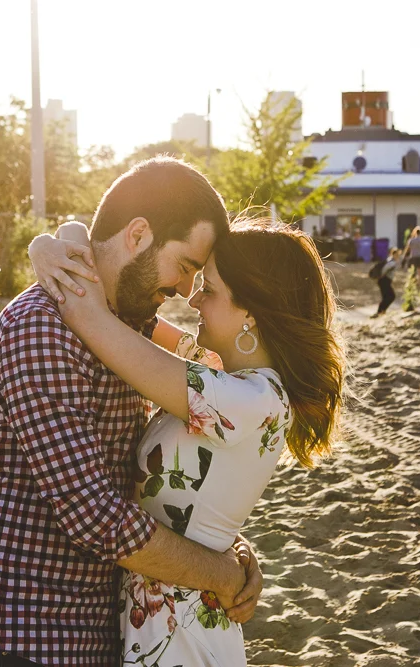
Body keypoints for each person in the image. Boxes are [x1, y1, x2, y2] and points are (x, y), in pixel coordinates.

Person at [0, 158, 263, 667]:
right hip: (14, 635)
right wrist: (220, 574)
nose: (183, 290)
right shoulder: (40, 329)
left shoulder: (126, 327)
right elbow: (95, 516)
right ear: (137, 234)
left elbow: (144, 476)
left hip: (90, 635)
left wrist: (230, 546)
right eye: (185, 266)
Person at [29, 216, 344, 666]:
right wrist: (52, 242)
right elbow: (125, 311)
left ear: (251, 309)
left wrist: (54, 248)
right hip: (156, 622)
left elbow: (89, 314)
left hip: (181, 635)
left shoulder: (249, 400)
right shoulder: (219, 376)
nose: (192, 297)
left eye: (210, 290)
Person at [371, 247, 401, 318]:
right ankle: (380, 311)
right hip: (384, 280)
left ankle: (381, 311)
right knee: (391, 296)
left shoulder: (389, 260)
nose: (398, 257)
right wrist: (381, 276)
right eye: (397, 255)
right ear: (394, 254)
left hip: (383, 280)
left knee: (385, 296)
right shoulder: (392, 262)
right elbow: (384, 269)